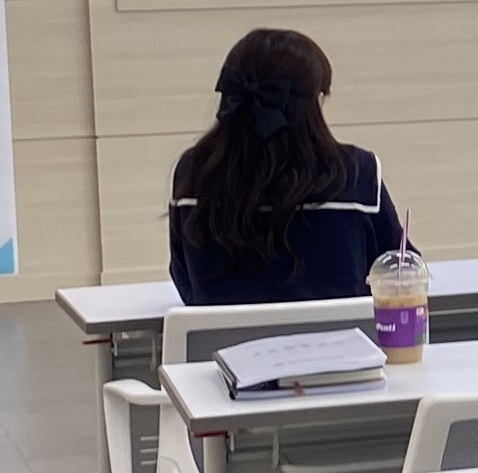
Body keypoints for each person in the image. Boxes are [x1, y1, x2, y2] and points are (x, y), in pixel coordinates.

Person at [167, 28, 406, 304]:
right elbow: (398, 274)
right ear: (316, 102)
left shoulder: (193, 173)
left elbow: (186, 285)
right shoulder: (358, 173)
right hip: (343, 346)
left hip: (220, 348)